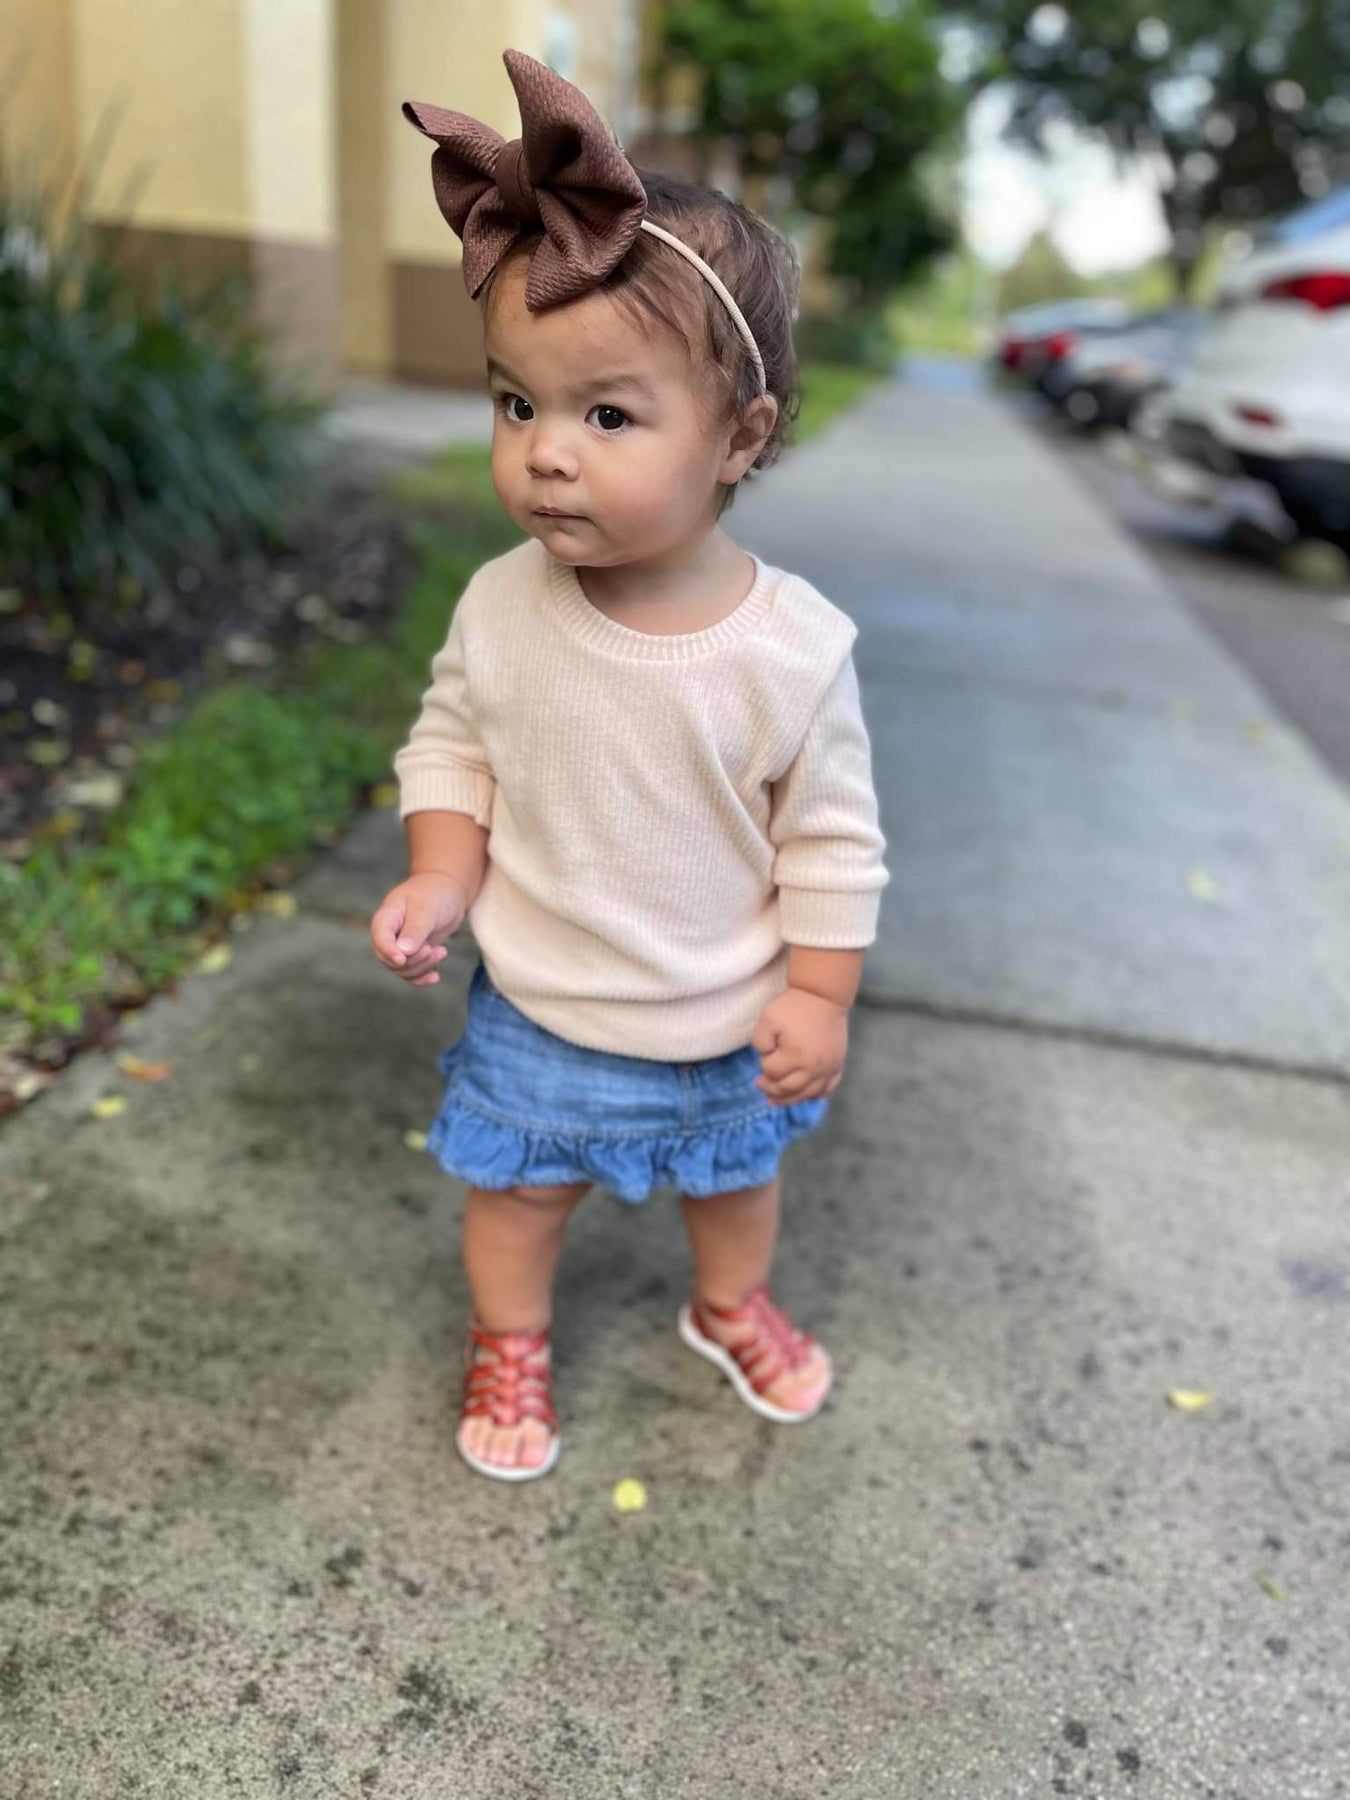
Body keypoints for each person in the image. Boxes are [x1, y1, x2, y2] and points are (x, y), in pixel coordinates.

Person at [369, 50, 890, 1483]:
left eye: (606, 416)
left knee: (736, 1189)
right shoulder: (502, 605)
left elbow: (832, 841)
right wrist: (440, 873)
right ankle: (510, 1341)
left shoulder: (791, 652)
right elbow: (455, 744)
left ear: (738, 439)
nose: (545, 455)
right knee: (519, 1197)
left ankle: (727, 1306)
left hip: (728, 1016)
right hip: (545, 1010)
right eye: (514, 404)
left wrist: (820, 993)